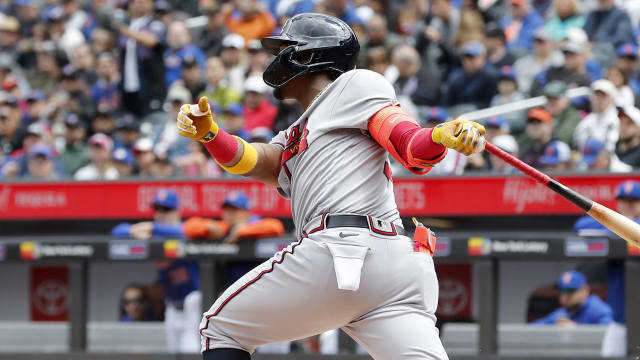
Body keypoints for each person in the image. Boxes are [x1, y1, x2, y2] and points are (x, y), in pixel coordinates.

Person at [176, 13, 487, 360]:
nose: (275, 56)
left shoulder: (354, 86)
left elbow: (409, 145)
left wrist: (438, 135)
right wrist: (211, 134)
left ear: (308, 56)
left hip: (344, 250)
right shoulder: (301, 127)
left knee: (220, 328)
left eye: (284, 48)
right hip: (396, 268)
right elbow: (256, 160)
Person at [112, 189, 201, 353]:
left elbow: (182, 232)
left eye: (166, 210)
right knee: (174, 353)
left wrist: (152, 227)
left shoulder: (186, 230)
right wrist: (134, 231)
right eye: (157, 209)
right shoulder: (154, 235)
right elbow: (117, 231)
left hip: (195, 307)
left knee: (191, 351)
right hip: (172, 307)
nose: (160, 214)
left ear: (177, 212)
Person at [531, 270, 613, 325]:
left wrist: (576, 331)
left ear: (585, 290)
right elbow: (533, 329)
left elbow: (608, 337)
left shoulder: (599, 310)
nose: (566, 295)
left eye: (570, 290)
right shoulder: (563, 312)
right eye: (563, 290)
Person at [444, 41, 498, 110]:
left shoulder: (491, 76)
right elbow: (447, 103)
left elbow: (492, 103)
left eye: (472, 57)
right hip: (458, 116)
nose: (468, 61)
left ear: (483, 58)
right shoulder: (455, 76)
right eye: (465, 58)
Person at [573, 80, 619, 152]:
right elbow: (578, 142)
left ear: (611, 99)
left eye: (603, 96)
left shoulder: (616, 119)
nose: (599, 100)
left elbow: (610, 147)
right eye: (597, 95)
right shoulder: (588, 120)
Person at [512, 27, 563, 93]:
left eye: (542, 42)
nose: (538, 45)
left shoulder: (559, 58)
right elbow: (521, 86)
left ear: (551, 43)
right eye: (535, 41)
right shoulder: (522, 62)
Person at [542, 81, 581, 146]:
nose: (551, 102)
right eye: (549, 98)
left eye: (555, 98)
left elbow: (563, 139)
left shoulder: (573, 116)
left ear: (565, 100)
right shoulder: (543, 115)